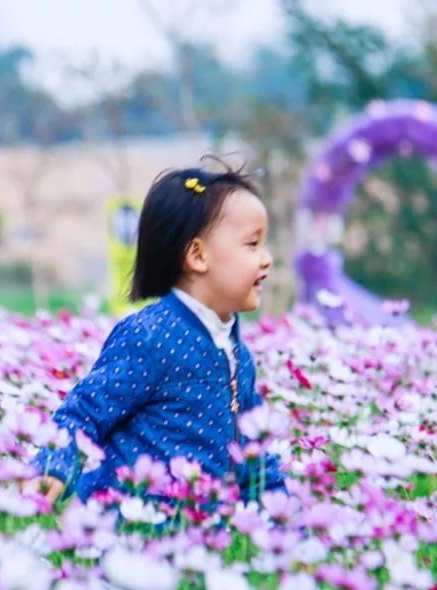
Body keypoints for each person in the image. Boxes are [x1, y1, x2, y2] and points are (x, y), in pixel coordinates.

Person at [22, 163, 286, 505]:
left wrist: (288, 524)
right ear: (198, 256)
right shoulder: (150, 337)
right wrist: (52, 469)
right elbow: (84, 413)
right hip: (129, 529)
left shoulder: (238, 355)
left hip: (202, 538)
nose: (267, 259)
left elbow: (256, 456)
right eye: (252, 244)